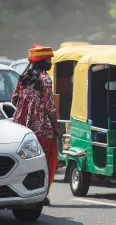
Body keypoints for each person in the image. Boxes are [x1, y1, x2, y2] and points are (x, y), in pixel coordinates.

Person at [11, 44, 59, 206]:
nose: (51, 63)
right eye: (48, 60)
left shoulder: (22, 79)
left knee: (25, 162)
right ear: (41, 62)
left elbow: (14, 100)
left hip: (22, 128)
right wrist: (56, 125)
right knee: (48, 161)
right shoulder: (45, 79)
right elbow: (50, 106)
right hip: (43, 129)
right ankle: (42, 194)